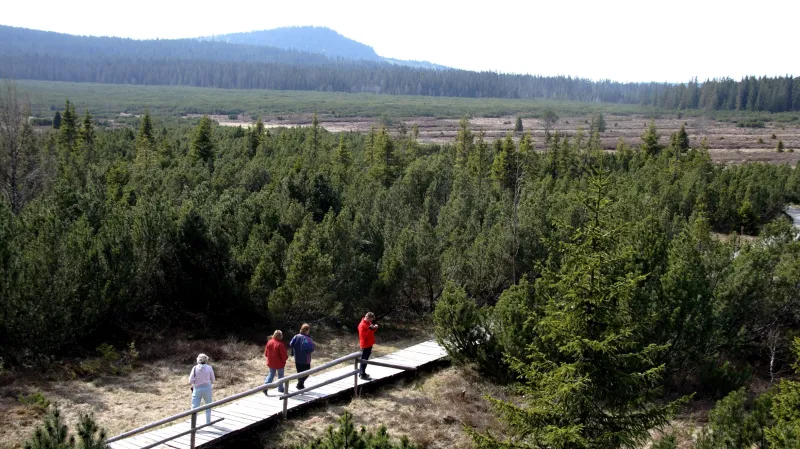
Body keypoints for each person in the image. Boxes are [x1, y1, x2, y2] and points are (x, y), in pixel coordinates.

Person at [188, 353, 215, 424]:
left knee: (194, 407)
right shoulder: (209, 367)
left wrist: (195, 382)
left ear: (198, 360)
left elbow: (190, 380)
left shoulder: (194, 368)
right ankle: (208, 422)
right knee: (208, 405)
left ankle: (193, 425)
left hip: (197, 388)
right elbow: (213, 379)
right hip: (207, 388)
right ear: (206, 360)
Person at [289, 324, 315, 390]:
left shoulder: (296, 336)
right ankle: (299, 384)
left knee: (300, 373)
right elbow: (310, 349)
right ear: (307, 330)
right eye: (309, 330)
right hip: (305, 359)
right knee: (307, 372)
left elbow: (291, 343)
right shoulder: (307, 338)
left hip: (297, 358)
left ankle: (301, 385)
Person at [263, 330, 288, 395]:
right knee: (280, 376)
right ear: (280, 336)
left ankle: (265, 387)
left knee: (271, 374)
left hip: (271, 362)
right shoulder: (280, 344)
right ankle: (280, 388)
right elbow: (284, 355)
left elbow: (266, 354)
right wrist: (284, 360)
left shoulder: (269, 342)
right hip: (279, 363)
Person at [358, 312, 378, 380]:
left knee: (365, 359)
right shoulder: (362, 325)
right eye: (371, 320)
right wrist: (370, 328)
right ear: (368, 318)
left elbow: (371, 331)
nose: (371, 321)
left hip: (369, 344)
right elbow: (364, 336)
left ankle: (362, 372)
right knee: (364, 360)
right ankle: (362, 375)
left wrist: (374, 328)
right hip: (365, 345)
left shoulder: (368, 323)